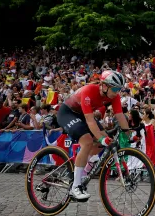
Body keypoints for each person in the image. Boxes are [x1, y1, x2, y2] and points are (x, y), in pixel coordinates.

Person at [56, 70, 131, 201]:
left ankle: (85, 169)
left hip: (84, 115)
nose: (117, 92)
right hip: (68, 113)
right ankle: (75, 187)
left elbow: (120, 116)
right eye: (114, 88)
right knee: (87, 141)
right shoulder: (89, 90)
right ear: (104, 85)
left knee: (108, 141)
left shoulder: (114, 96)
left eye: (119, 89)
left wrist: (129, 134)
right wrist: (101, 138)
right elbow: (90, 121)